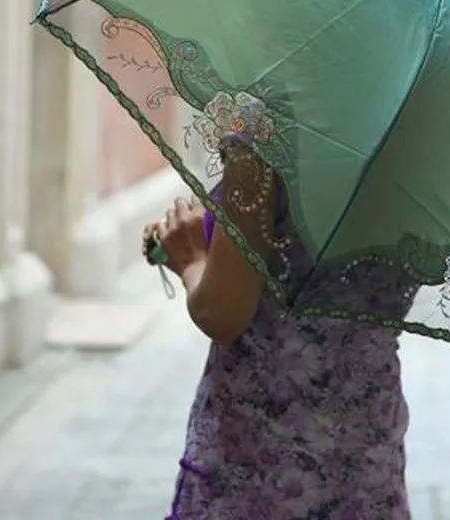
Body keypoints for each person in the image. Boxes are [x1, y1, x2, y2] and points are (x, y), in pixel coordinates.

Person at [142, 135, 411, 520]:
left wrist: (191, 261)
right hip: (364, 443)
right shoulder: (418, 134)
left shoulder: (266, 133)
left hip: (264, 449)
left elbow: (221, 313)